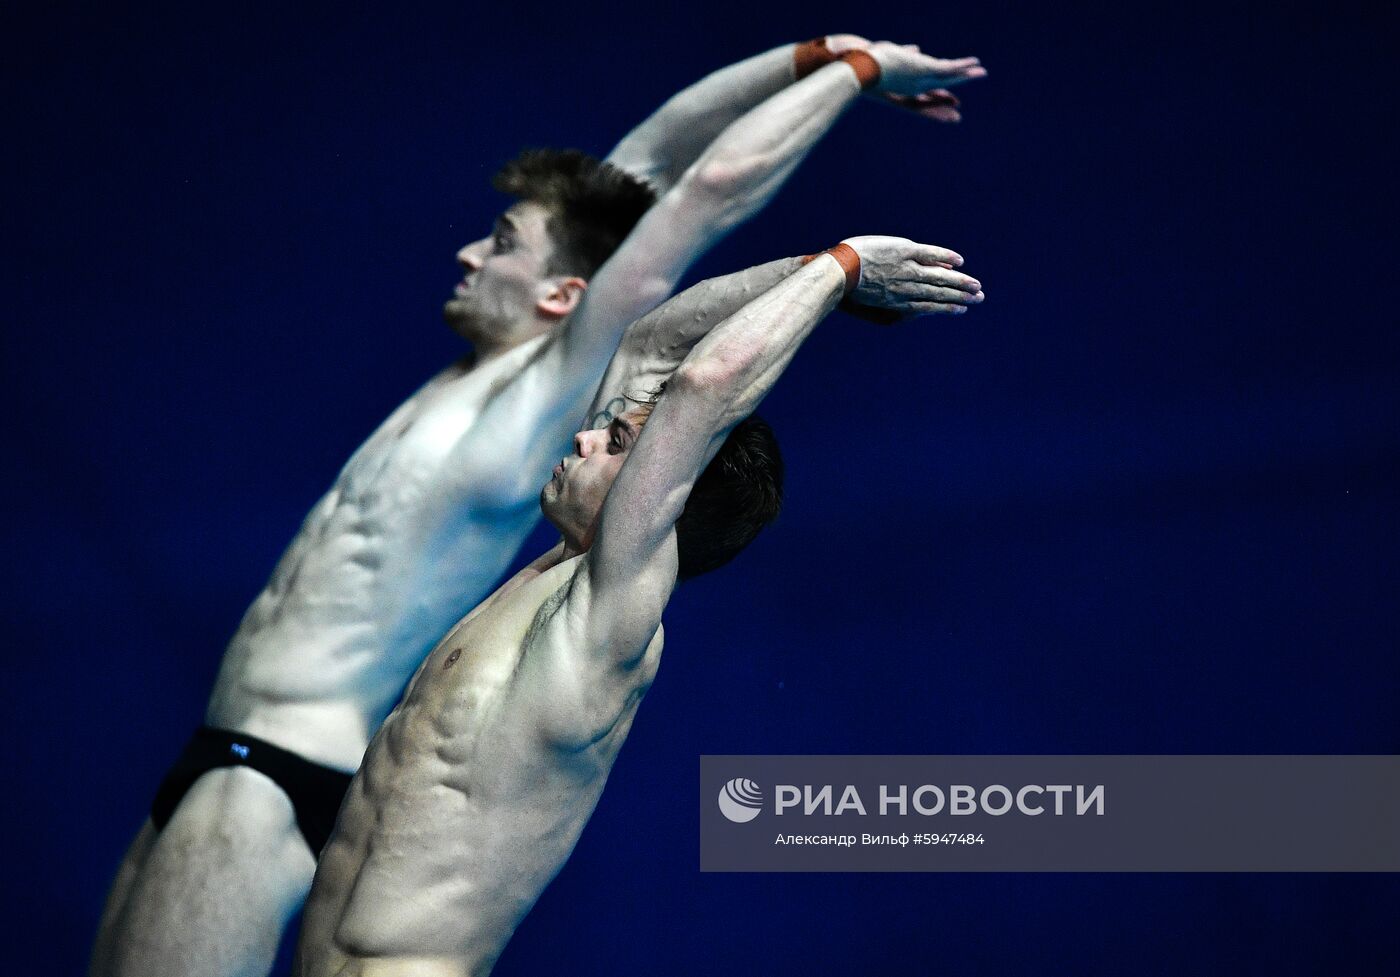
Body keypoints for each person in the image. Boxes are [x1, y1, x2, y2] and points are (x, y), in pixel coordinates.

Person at [89, 37, 987, 977]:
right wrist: (823, 53)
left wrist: (844, 228)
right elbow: (651, 171)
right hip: (260, 793)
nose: (472, 248)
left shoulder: (603, 555)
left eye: (505, 240)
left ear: (566, 292)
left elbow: (704, 230)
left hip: (278, 776)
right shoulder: (539, 486)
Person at [293, 233, 984, 977]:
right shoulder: (558, 573)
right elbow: (654, 341)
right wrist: (822, 279)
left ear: (657, 495)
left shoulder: (604, 619)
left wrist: (844, 264)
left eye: (618, 439)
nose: (587, 436)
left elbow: (704, 384)